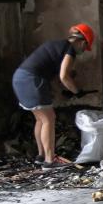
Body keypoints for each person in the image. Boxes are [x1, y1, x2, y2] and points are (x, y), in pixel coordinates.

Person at [11, 24, 95, 168]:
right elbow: (64, 76)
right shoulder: (69, 49)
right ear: (82, 42)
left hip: (20, 78)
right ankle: (50, 161)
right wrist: (77, 92)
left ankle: (41, 155)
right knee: (49, 119)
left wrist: (68, 83)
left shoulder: (57, 45)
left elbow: (54, 70)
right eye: (85, 47)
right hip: (32, 81)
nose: (83, 51)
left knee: (40, 119)